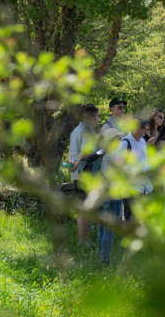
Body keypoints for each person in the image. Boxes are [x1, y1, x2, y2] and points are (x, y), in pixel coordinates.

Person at [68, 104, 100, 248]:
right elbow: (86, 152)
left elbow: (70, 151)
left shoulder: (76, 130)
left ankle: (81, 238)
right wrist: (75, 165)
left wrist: (70, 164)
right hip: (84, 172)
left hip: (76, 173)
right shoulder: (88, 130)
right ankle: (83, 240)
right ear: (95, 117)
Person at [116, 117, 154, 222]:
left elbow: (144, 161)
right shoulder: (124, 143)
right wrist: (134, 172)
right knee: (131, 220)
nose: (145, 129)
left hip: (147, 187)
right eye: (143, 127)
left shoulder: (142, 141)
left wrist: (151, 168)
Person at [97, 128, 123, 265]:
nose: (119, 142)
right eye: (118, 139)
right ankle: (105, 259)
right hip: (112, 195)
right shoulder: (113, 155)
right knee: (109, 230)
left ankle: (102, 255)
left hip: (101, 195)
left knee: (102, 228)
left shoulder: (101, 153)